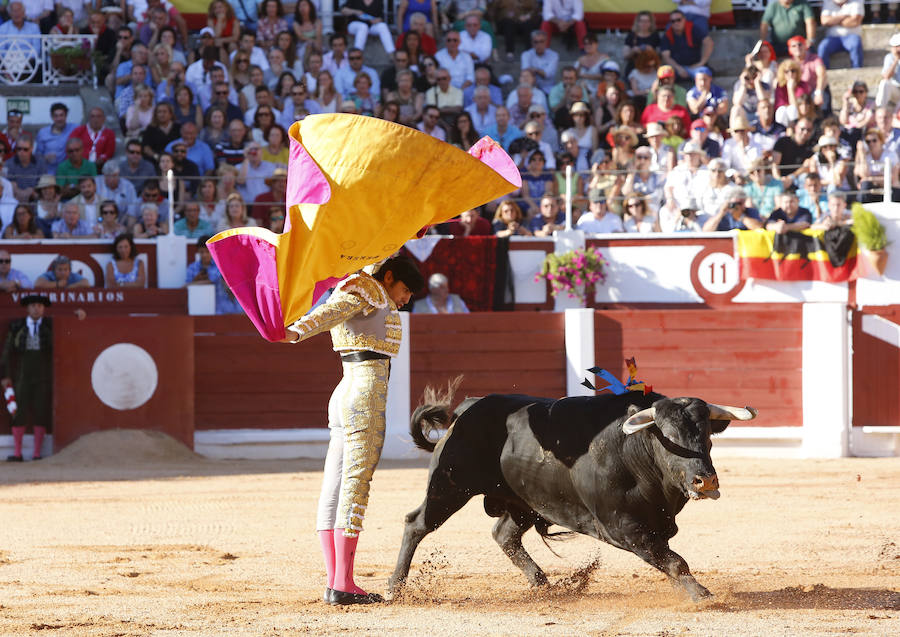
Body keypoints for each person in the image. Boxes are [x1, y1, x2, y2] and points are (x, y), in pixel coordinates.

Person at [282, 256, 422, 605]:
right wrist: (296, 331)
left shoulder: (359, 287)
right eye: (405, 290)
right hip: (365, 393)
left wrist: (297, 329)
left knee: (335, 483)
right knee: (356, 483)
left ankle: (336, 581)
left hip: (345, 387)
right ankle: (343, 582)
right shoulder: (367, 289)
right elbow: (331, 313)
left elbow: (333, 309)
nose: (406, 300)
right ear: (389, 277)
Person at [1, 294, 54, 462]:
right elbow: (7, 352)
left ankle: (37, 453)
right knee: (19, 411)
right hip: (22, 374)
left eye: (39, 305)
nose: (36, 308)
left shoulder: (50, 325)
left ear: (44, 308)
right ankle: (17, 453)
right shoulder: (17, 326)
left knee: (41, 411)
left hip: (43, 375)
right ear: (27, 308)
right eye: (33, 306)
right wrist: (5, 375)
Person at [186, 234, 242, 314]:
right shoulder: (192, 268)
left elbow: (212, 281)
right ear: (198, 252)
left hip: (222, 305)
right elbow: (186, 287)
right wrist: (195, 280)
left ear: (212, 251)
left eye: (207, 251)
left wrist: (195, 282)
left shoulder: (219, 266)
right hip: (200, 307)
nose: (204, 255)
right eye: (202, 252)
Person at [659, 10, 714, 82]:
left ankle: (705, 93)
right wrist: (678, 68)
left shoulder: (693, 29)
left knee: (705, 74)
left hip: (695, 67)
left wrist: (701, 63)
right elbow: (666, 56)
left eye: (678, 20)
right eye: (673, 21)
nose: (676, 23)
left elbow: (708, 42)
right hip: (677, 68)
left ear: (684, 19)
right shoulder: (667, 35)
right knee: (665, 74)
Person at [817, 0, 864, 70]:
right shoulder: (828, 1)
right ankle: (823, 74)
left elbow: (855, 22)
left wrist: (833, 20)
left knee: (856, 44)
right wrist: (844, 16)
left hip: (851, 36)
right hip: (832, 38)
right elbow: (824, 21)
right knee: (822, 47)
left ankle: (857, 72)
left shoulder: (857, 1)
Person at [35, 104, 77, 172]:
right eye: (56, 116)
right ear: (51, 117)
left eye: (61, 115)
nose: (59, 119)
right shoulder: (43, 133)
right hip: (49, 172)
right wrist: (45, 158)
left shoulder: (74, 128)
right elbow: (36, 156)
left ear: (66, 116)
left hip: (69, 172)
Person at [521, 30, 559, 95]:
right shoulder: (526, 54)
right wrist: (539, 72)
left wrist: (534, 70)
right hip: (531, 89)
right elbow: (526, 73)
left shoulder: (554, 55)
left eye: (542, 41)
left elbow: (547, 74)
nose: (539, 45)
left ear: (546, 42)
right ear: (532, 43)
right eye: (536, 42)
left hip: (549, 88)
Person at [876, 34, 900, 112]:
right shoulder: (890, 57)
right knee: (884, 83)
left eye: (898, 46)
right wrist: (896, 60)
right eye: (895, 46)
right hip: (896, 91)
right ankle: (880, 110)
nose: (897, 49)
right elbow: (886, 76)